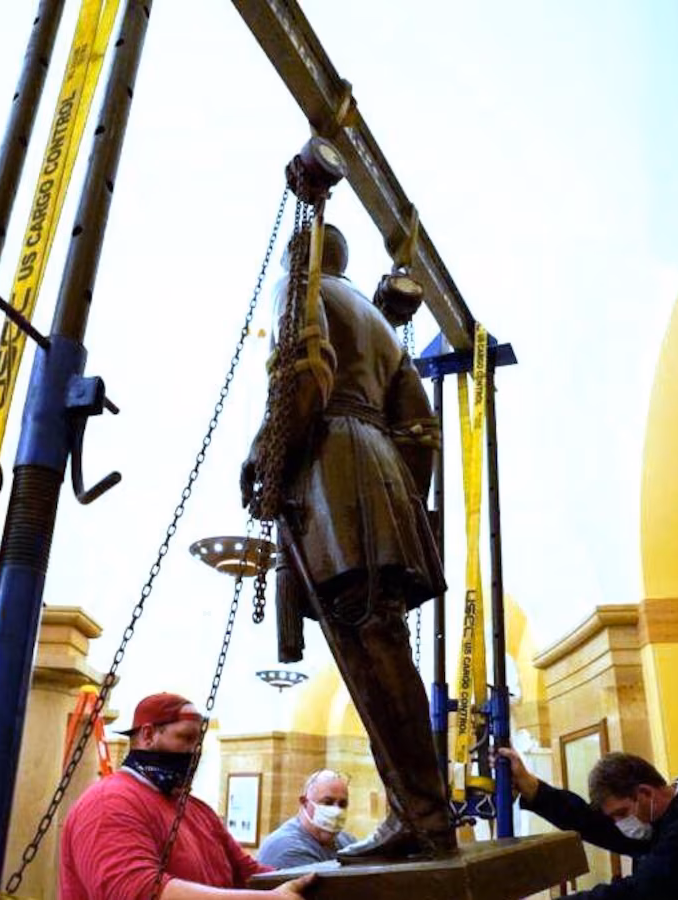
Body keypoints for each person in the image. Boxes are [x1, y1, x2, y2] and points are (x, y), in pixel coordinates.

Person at [242, 222, 453, 861]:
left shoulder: (296, 285)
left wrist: (264, 453)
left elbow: (302, 368)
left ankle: (421, 815)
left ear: (298, 254)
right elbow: (420, 430)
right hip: (381, 473)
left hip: (333, 471)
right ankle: (421, 811)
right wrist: (403, 498)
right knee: (381, 637)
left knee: (368, 640)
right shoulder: (381, 322)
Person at [60, 692, 313, 900]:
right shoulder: (110, 802)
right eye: (186, 738)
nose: (195, 752)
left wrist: (321, 882)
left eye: (198, 742)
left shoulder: (197, 810)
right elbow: (139, 891)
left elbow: (250, 873)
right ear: (147, 735)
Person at [495, 748, 678, 899]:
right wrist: (535, 789)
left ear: (645, 793)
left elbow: (638, 893)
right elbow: (594, 823)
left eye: (621, 814)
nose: (620, 824)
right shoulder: (663, 816)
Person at [256, 770, 357, 870]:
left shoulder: (347, 841)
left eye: (342, 804)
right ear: (304, 802)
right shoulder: (287, 846)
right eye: (327, 802)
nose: (337, 811)